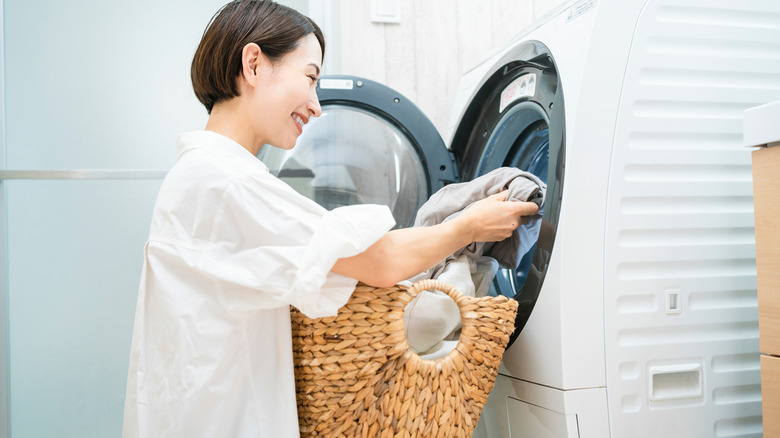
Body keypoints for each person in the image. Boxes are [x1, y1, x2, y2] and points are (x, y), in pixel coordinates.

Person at [122, 1, 539, 437]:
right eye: (310, 77)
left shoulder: (205, 173)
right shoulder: (223, 181)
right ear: (254, 64)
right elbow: (378, 262)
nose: (317, 105)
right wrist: (469, 225)